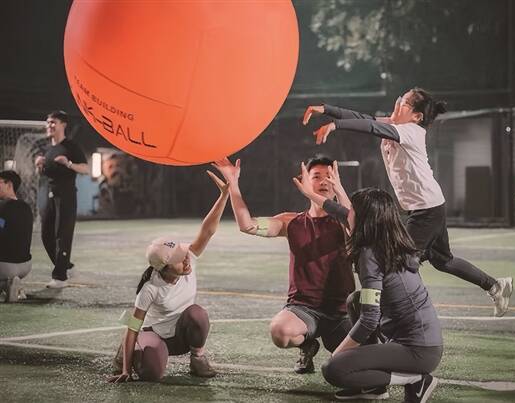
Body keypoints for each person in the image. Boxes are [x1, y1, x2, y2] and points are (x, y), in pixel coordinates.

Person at [303, 88, 513, 317]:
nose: (396, 105)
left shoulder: (411, 131)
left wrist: (335, 126)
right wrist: (326, 110)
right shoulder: (396, 126)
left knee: (396, 262)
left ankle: (407, 313)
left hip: (426, 211)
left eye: (403, 103)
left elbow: (371, 127)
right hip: (426, 206)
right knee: (443, 261)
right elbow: (363, 118)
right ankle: (495, 286)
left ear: (417, 116)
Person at [294, 168, 442, 402]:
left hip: (417, 351)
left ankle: (416, 381)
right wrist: (311, 194)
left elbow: (370, 320)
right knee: (356, 300)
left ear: (365, 220)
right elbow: (338, 211)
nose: (347, 213)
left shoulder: (370, 255)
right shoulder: (388, 238)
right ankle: (374, 387)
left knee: (334, 369)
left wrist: (339, 353)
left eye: (352, 210)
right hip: (423, 344)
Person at [212, 155, 356, 374]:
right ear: (304, 181)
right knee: (280, 332)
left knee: (354, 360)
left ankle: (336, 347)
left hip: (341, 312)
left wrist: (341, 190)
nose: (324, 182)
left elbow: (354, 224)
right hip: (303, 308)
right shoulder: (291, 222)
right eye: (317, 176)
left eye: (330, 177)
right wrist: (233, 183)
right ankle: (307, 345)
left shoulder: (344, 222)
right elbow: (247, 225)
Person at [108, 171, 229, 383]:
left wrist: (224, 195)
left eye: (184, 253)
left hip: (180, 335)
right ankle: (134, 352)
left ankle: (198, 359)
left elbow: (207, 230)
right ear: (164, 268)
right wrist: (126, 370)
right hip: (155, 335)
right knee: (152, 375)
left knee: (198, 314)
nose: (186, 259)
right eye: (179, 258)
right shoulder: (150, 288)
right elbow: (132, 327)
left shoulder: (189, 259)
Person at [34, 110, 89, 288]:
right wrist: (39, 166)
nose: (49, 125)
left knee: (62, 235)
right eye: (48, 122)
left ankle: (60, 277)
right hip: (46, 194)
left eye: (53, 122)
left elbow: (85, 169)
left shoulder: (71, 146)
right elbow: (42, 174)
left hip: (66, 195)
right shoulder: (46, 149)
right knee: (46, 236)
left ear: (63, 125)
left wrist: (68, 163)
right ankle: (67, 266)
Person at [0, 171, 33, 302]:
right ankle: (15, 285)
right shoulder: (26, 207)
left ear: (9, 185)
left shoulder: (1, 207)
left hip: (5, 266)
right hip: (25, 266)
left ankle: (6, 285)